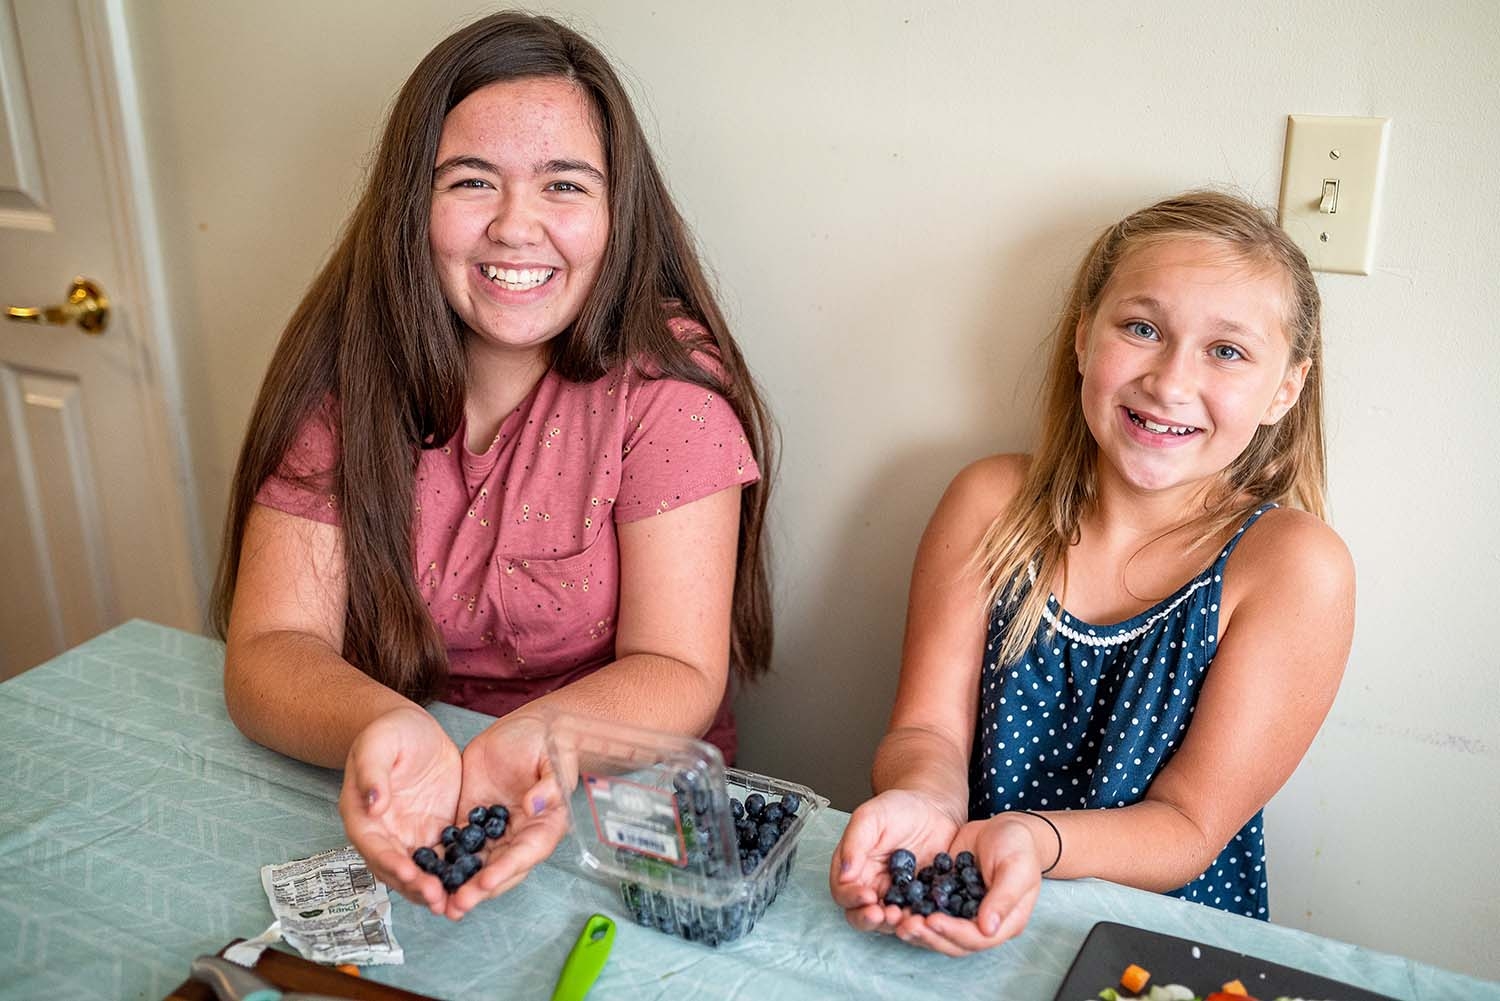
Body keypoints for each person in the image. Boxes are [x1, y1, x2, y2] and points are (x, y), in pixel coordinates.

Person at [210, 12, 774, 922]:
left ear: (616, 213)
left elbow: (676, 666)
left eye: (564, 184)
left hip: (619, 813)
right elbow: (271, 651)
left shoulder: (671, 387)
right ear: (411, 206)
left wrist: (528, 745)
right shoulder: (346, 373)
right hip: (401, 786)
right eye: (472, 181)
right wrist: (392, 729)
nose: (517, 226)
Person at [829, 191, 1354, 956]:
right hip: (963, 903)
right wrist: (923, 795)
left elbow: (1188, 825)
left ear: (1286, 387)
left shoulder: (1293, 567)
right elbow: (925, 728)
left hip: (1155, 946)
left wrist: (1029, 840)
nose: (1171, 382)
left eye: (1227, 350)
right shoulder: (989, 504)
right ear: (1083, 338)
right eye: (1142, 329)